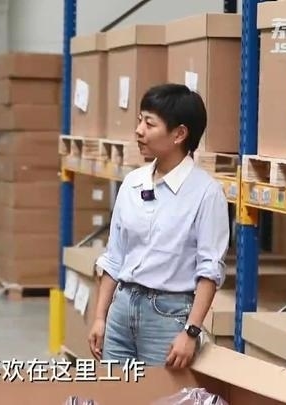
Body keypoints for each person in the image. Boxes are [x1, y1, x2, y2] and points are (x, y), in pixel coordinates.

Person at [87, 83, 230, 368]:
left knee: (161, 393)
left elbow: (210, 270)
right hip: (122, 310)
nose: (138, 130)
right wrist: (101, 317)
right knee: (114, 391)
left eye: (149, 124)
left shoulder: (206, 193)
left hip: (168, 317)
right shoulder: (133, 182)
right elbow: (114, 256)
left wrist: (191, 332)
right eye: (139, 120)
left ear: (179, 134)